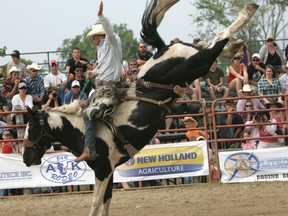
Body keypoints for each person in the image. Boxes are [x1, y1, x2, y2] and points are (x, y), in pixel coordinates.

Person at [75, 1, 122, 162]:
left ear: (99, 35)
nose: (92, 39)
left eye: (94, 36)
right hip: (100, 88)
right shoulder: (101, 48)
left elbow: (110, 30)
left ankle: (90, 150)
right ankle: (84, 144)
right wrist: (92, 72)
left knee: (88, 114)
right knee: (80, 106)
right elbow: (102, 66)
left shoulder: (112, 40)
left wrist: (101, 16)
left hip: (109, 89)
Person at [0, 129, 22, 196]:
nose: (7, 137)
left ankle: (12, 192)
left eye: (8, 135)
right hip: (3, 163)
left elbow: (16, 154)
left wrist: (12, 146)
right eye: (6, 135)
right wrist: (2, 148)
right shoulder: (1, 143)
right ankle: (4, 194)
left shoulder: (13, 143)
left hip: (12, 163)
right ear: (3, 136)